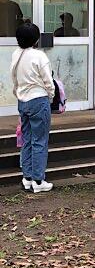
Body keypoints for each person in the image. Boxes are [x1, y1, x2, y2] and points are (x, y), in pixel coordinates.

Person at [10, 23, 55, 193]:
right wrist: (51, 96)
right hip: (39, 100)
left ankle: (27, 178)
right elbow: (48, 82)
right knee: (40, 141)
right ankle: (38, 180)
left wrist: (18, 93)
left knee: (27, 139)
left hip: (23, 101)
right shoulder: (39, 56)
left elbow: (14, 78)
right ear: (36, 39)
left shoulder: (16, 54)